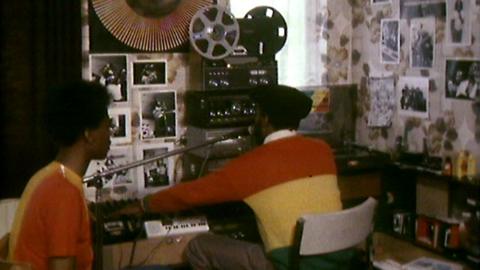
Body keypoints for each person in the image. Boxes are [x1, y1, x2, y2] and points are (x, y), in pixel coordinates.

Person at [118, 85, 348, 270]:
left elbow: (191, 194)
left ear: (265, 119)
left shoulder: (254, 163)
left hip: (287, 264)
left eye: (257, 115)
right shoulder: (322, 150)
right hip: (339, 258)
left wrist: (144, 204)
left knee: (199, 246)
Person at [8, 81, 112, 270]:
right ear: (89, 134)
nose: (110, 134)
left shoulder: (48, 177)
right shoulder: (63, 192)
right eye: (106, 126)